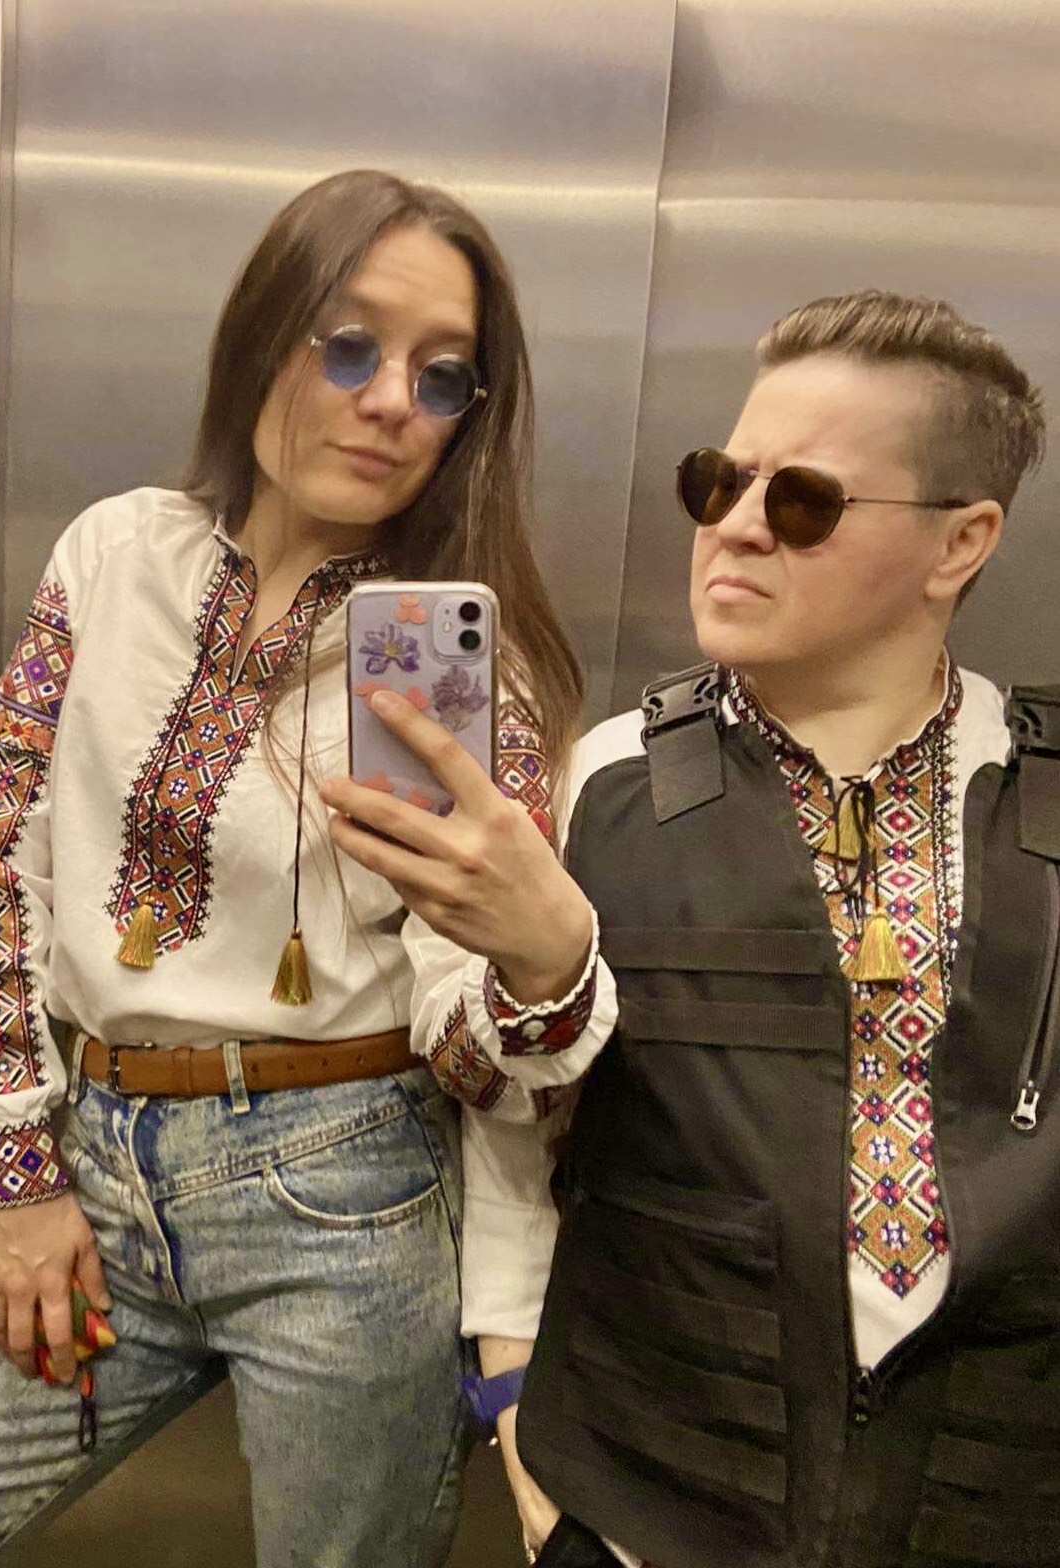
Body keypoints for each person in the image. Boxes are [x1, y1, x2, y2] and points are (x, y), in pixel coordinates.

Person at [0, 168, 610, 1568]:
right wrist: (10, 1170)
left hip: (345, 1203)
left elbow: (467, 1047)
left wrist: (540, 967)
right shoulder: (115, 554)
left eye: (442, 375)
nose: (390, 400)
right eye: (348, 346)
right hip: (92, 1166)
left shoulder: (460, 672)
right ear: (260, 338)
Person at [417, 289, 1056, 1568]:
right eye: (719, 481)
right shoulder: (600, 783)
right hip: (642, 1507)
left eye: (804, 499)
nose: (737, 527)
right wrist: (516, 1406)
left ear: (960, 541)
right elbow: (505, 1133)